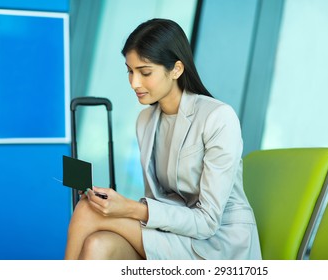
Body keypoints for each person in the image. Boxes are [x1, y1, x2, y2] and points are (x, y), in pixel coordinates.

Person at [64, 18, 261, 260]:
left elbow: (208, 222)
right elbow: (159, 201)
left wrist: (130, 208)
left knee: (87, 211)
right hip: (175, 234)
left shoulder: (218, 117)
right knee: (97, 245)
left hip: (216, 244)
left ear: (176, 69)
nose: (134, 83)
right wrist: (121, 206)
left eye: (145, 72)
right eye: (130, 71)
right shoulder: (146, 120)